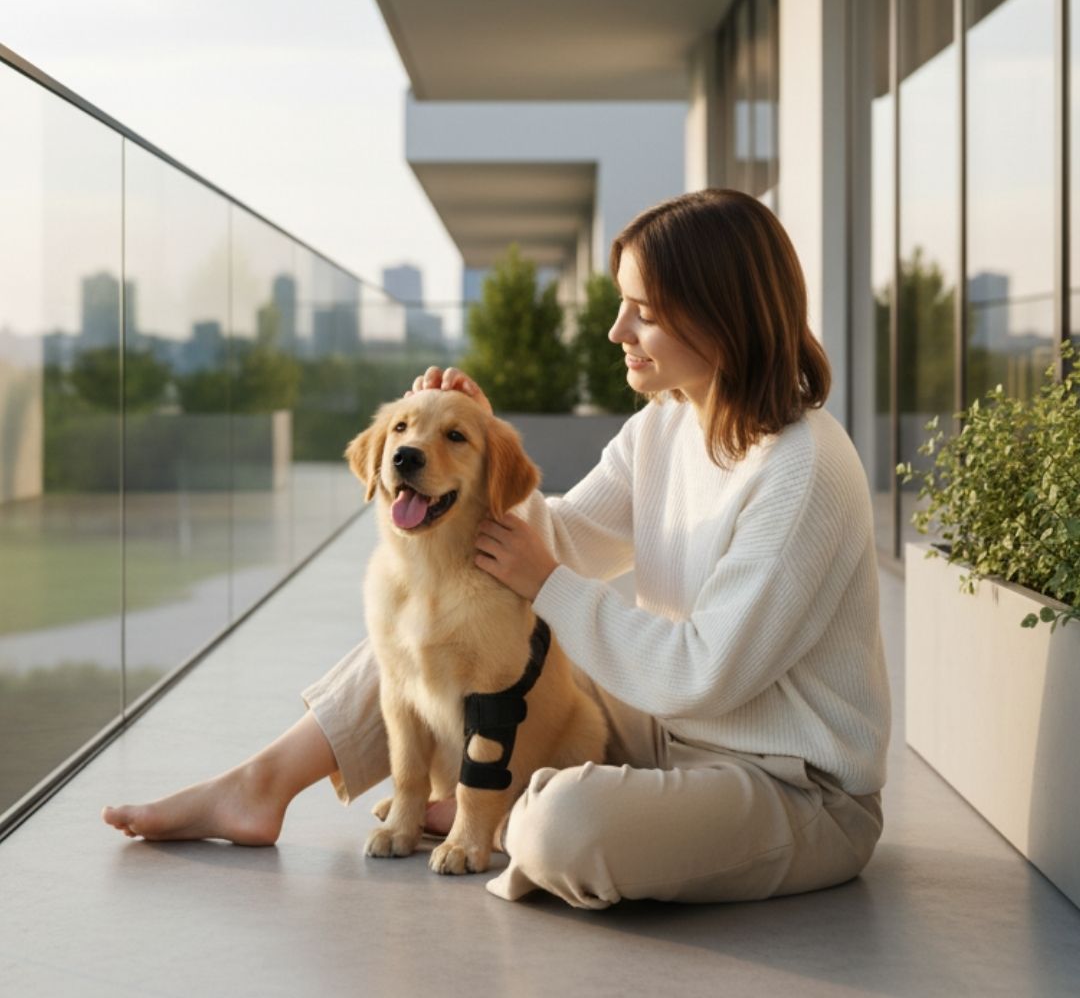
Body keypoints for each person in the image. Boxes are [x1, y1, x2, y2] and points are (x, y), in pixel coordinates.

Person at [103, 188, 891, 910]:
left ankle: (496, 808)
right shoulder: (667, 424)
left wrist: (547, 580)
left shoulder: (804, 469)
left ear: (721, 317)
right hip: (666, 732)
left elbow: (702, 671)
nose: (619, 331)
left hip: (789, 787)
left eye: (641, 312)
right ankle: (261, 784)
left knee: (565, 832)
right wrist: (473, 443)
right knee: (433, 614)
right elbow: (564, 540)